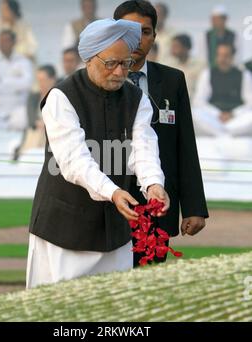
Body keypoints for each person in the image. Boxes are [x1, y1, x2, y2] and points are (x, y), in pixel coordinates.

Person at [26, 18, 170, 288]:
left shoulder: (137, 98)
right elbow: (74, 161)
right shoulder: (61, 97)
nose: (119, 72)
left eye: (125, 64)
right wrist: (112, 192)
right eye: (110, 64)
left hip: (115, 232)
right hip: (64, 229)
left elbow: (144, 147)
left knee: (115, 312)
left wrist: (153, 184)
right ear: (89, 59)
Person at [113, 0, 208, 267]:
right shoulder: (96, 81)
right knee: (106, 289)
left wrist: (194, 208)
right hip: (109, 204)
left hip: (158, 205)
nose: (137, 38)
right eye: (129, 30)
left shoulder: (172, 80)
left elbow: (185, 145)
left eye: (145, 31)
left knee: (148, 288)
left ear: (155, 37)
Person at [193, 43, 252, 137]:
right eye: (219, 55)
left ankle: (222, 132)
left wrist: (233, 114)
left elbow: (250, 102)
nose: (222, 59)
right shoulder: (207, 74)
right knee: (194, 113)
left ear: (232, 57)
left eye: (226, 55)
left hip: (237, 118)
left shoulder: (244, 75)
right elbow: (199, 101)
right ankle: (227, 133)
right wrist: (218, 114)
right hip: (214, 117)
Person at [13, 65, 57, 159]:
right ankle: (25, 156)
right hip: (35, 131)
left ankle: (26, 156)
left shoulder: (59, 98)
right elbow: (31, 120)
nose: (41, 84)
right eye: (39, 80)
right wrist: (40, 123)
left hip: (52, 133)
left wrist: (46, 124)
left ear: (52, 80)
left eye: (43, 80)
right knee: (35, 132)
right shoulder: (33, 97)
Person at [170, 34, 205, 99]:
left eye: (176, 46)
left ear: (185, 48)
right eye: (172, 46)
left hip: (195, 104)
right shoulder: (171, 66)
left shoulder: (200, 65)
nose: (173, 49)